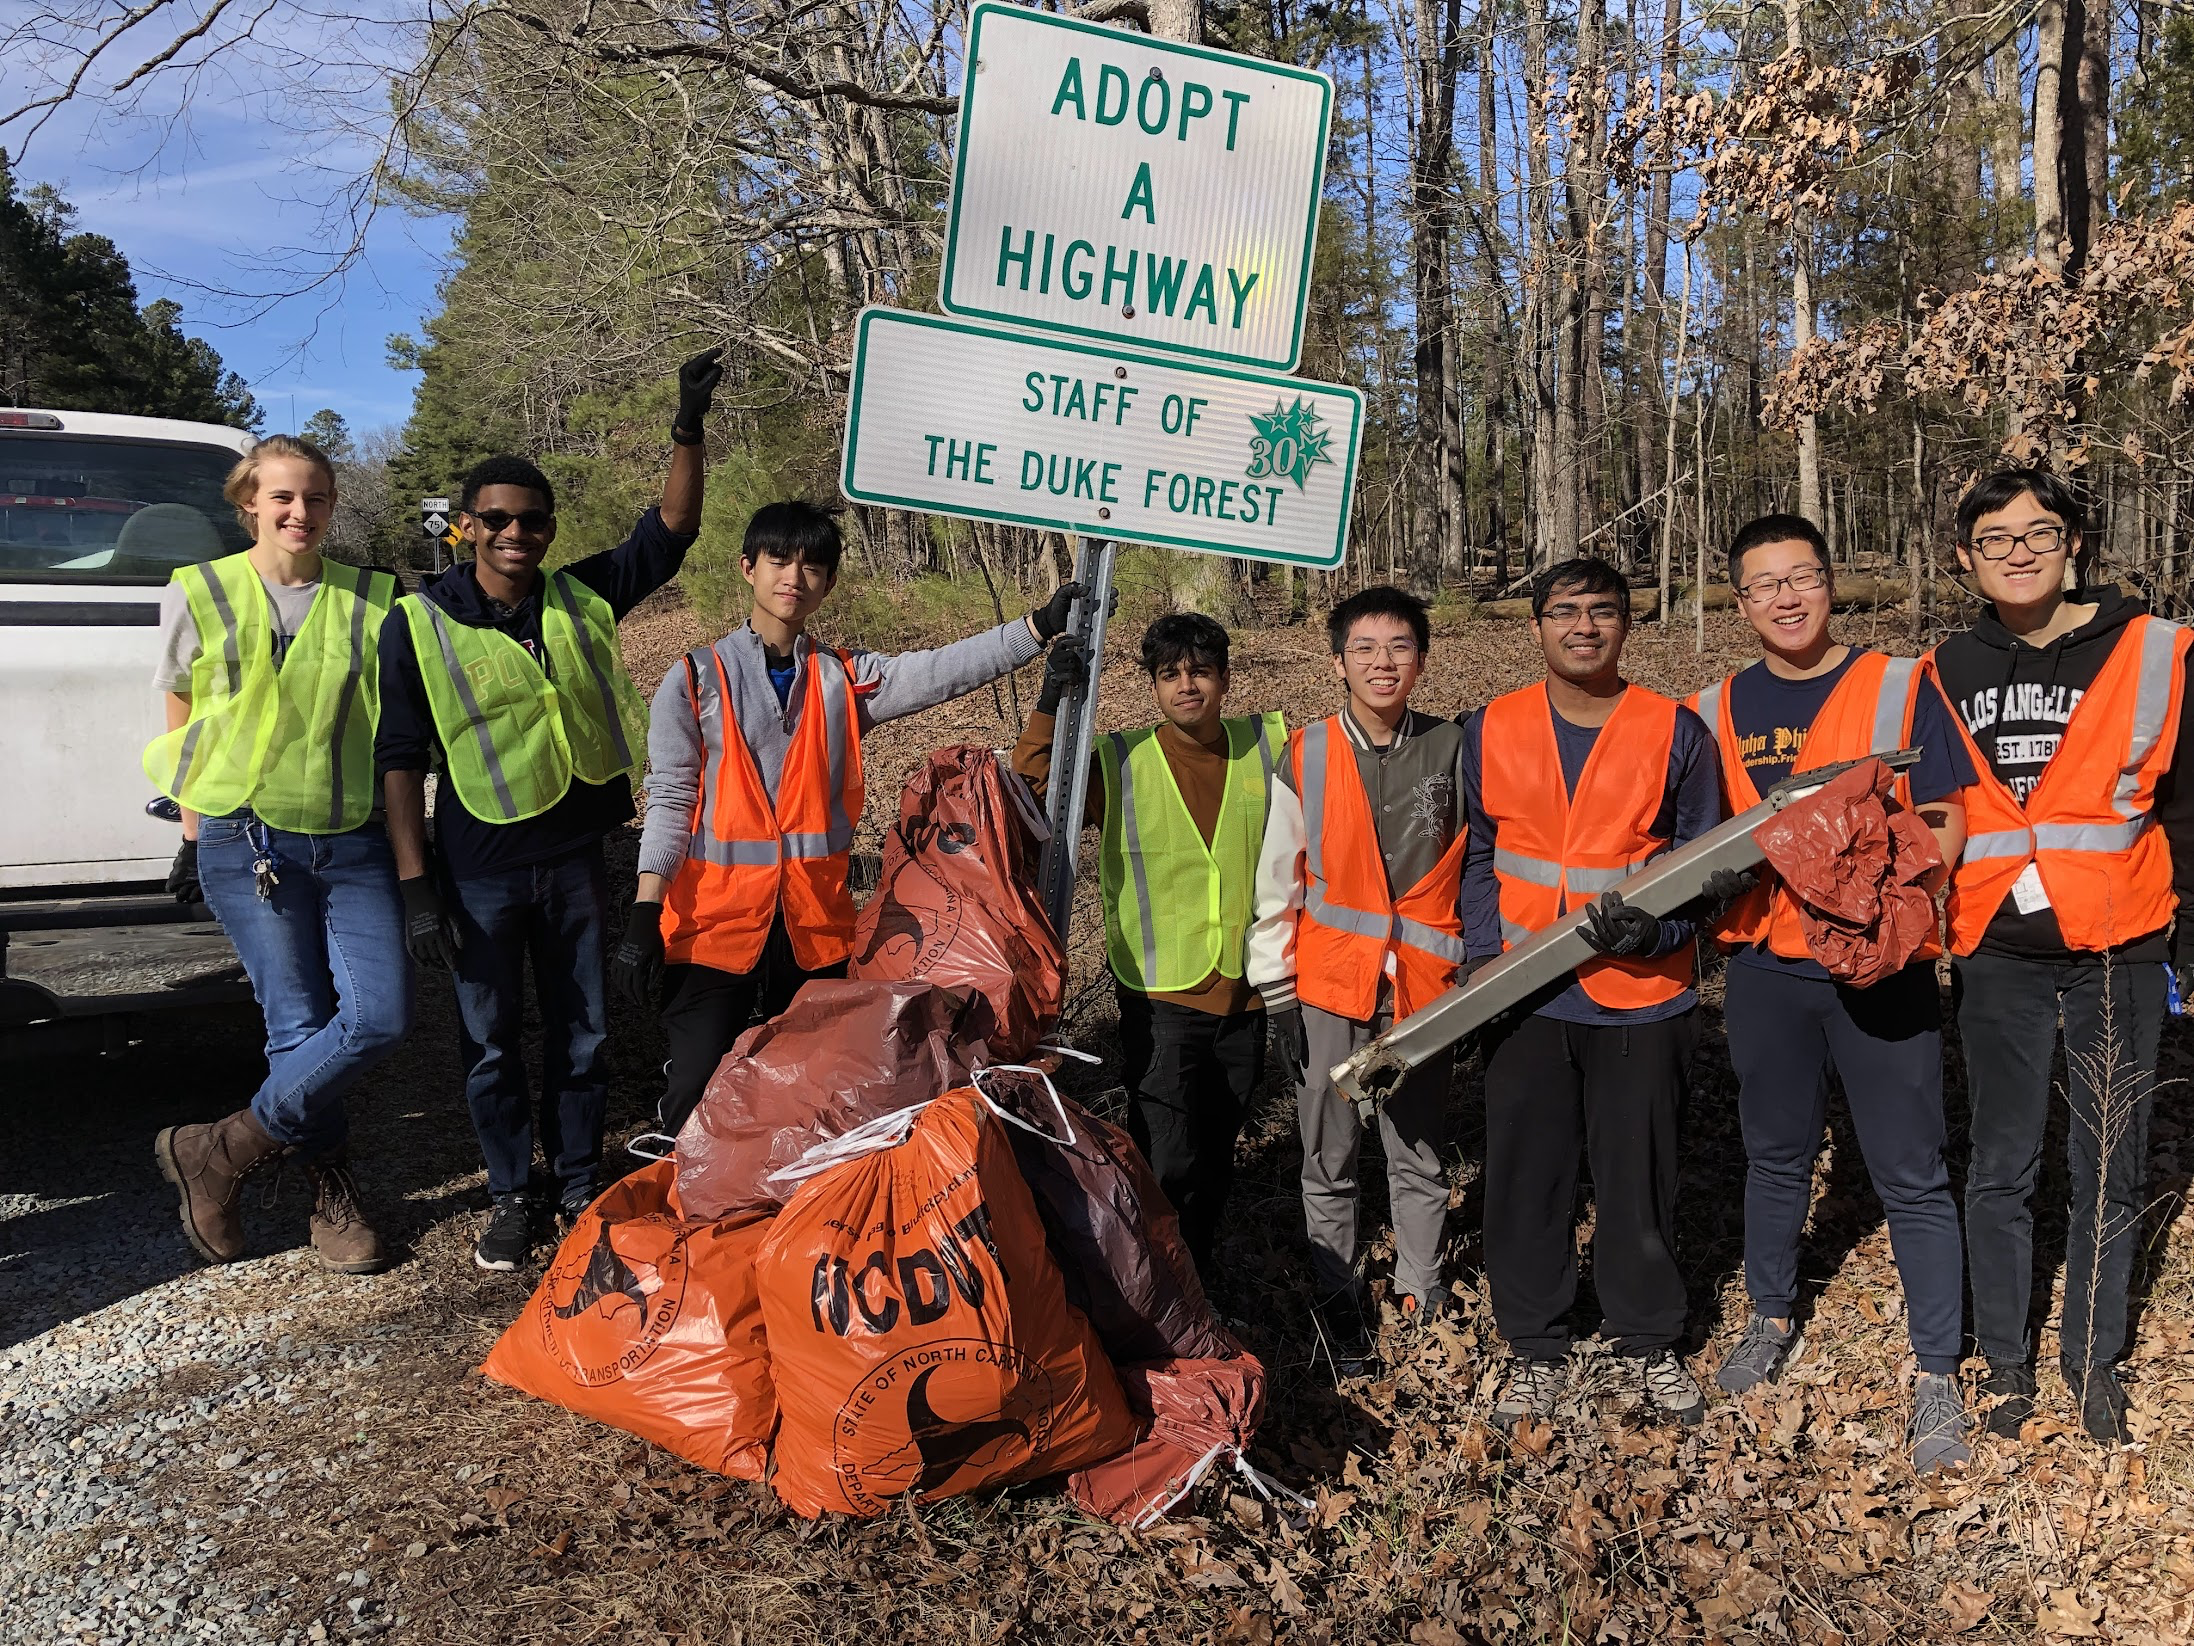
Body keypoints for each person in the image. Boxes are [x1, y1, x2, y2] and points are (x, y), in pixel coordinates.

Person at [377, 348, 725, 1272]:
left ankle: (574, 1183)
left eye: (531, 520)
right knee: (491, 1040)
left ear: (549, 527)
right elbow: (400, 761)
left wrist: (686, 425)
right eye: (496, 519)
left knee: (584, 1030)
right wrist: (415, 889)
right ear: (466, 528)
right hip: (479, 867)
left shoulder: (580, 595)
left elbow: (675, 528)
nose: (515, 533)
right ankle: (508, 1194)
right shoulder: (418, 621)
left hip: (576, 856)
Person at [609, 502, 1079, 1142]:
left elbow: (935, 671)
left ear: (827, 584)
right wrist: (644, 911)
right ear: (748, 568)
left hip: (811, 930)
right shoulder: (694, 680)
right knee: (694, 1088)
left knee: (807, 1090)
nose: (794, 577)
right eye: (779, 559)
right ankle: (673, 1216)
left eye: (813, 565)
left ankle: (779, 1222)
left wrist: (1033, 629)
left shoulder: (844, 679)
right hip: (712, 929)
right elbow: (668, 800)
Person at [1689, 513, 1975, 1472]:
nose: (1787, 596)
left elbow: (1945, 813)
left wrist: (1909, 910)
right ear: (1741, 603)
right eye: (1765, 583)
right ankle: (1770, 1316)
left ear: (1829, 583)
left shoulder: (1897, 684)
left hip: (1880, 964)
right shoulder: (1714, 707)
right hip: (1768, 969)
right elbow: (1694, 844)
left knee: (1911, 1170)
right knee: (1775, 1156)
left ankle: (1937, 1372)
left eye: (1803, 577)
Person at [1930, 468, 2194, 1445]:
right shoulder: (1942, 667)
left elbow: (2186, 811)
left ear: (2072, 539)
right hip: (1996, 949)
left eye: (2037, 531)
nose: (2018, 550)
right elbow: (1935, 814)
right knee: (2000, 1162)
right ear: (1966, 557)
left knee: (2109, 1161)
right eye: (1994, 538)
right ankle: (2005, 1362)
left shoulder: (2156, 652)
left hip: (2120, 948)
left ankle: (2091, 1359)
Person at [1459, 557, 1720, 1431]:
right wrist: (1487, 967)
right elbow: (1480, 857)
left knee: (1637, 1178)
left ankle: (1645, 1339)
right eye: (1563, 612)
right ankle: (1535, 1345)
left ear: (1625, 625)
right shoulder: (1490, 727)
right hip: (1527, 996)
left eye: (1602, 612)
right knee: (1528, 1180)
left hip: (1643, 996)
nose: (1583, 627)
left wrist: (1661, 934)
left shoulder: (1675, 730)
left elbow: (1709, 866)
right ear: (1535, 626)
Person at [147, 434, 407, 1274]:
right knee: (295, 1023)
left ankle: (221, 1148)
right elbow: (183, 718)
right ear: (248, 502)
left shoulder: (375, 599)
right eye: (283, 498)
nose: (300, 513)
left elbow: (397, 727)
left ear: (334, 506)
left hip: (352, 838)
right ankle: (331, 1193)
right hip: (244, 838)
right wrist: (191, 836)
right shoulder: (199, 591)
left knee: (380, 1017)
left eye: (317, 498)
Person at [1010, 613, 1284, 1273]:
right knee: (1166, 1157)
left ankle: (1201, 1277)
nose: (1186, 686)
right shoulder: (1119, 759)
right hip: (1161, 995)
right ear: (1153, 687)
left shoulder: (1271, 743)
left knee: (1218, 1150)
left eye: (1200, 671)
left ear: (1224, 678)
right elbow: (1035, 787)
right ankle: (1157, 1283)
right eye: (1170, 675)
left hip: (1247, 992)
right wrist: (1051, 703)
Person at [1247, 585, 1467, 1375]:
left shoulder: (1451, 748)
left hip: (1420, 984)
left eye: (1400, 647)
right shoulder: (1303, 752)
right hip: (1329, 986)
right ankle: (1338, 1294)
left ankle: (1422, 1281)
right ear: (1338, 661)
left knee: (1417, 1148)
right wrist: (1275, 986)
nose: (1384, 663)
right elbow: (1280, 878)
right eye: (1366, 649)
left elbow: (1474, 869)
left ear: (1421, 659)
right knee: (1328, 1153)